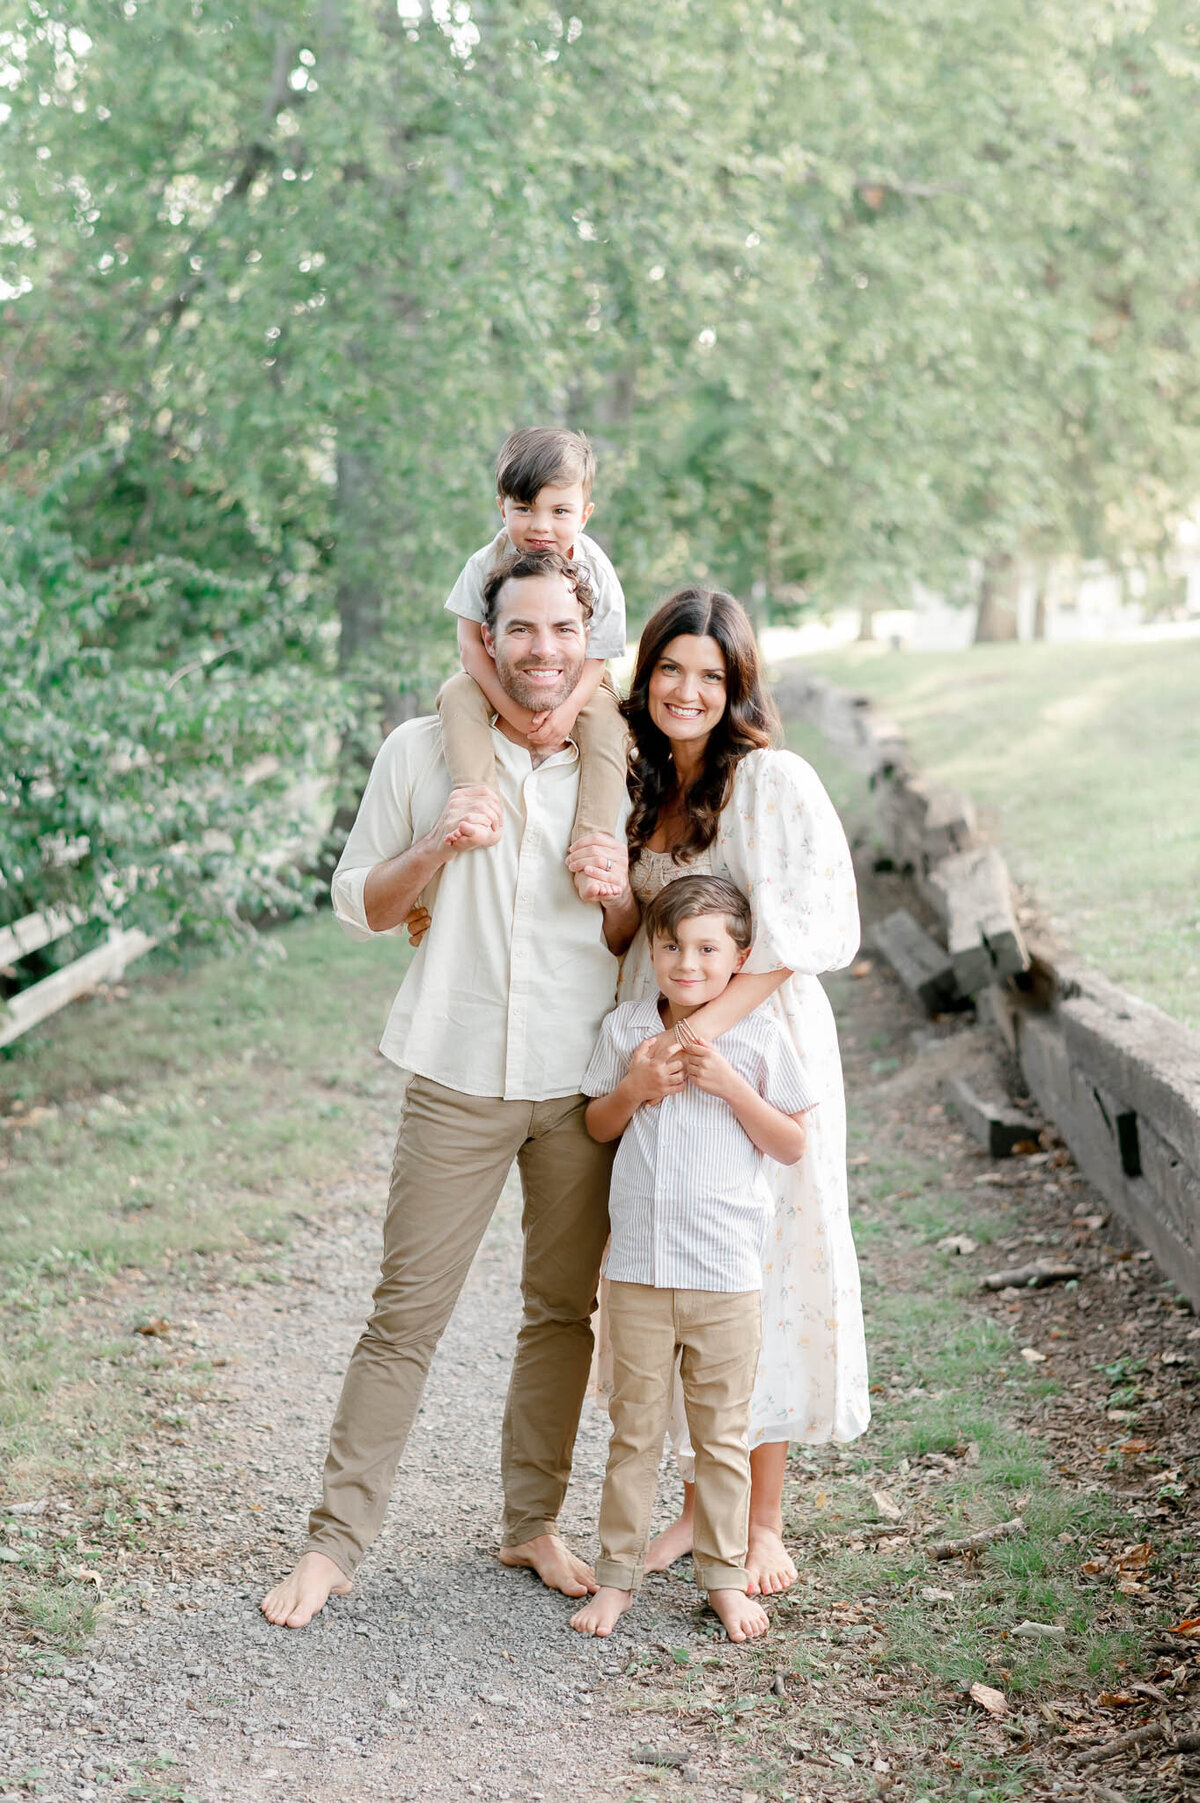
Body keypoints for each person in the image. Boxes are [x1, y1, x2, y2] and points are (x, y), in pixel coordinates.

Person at [261, 547, 639, 1630]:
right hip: (457, 1073)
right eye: (521, 629)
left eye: (562, 631)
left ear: (589, 637)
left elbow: (633, 939)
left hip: (577, 1081)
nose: (542, 651)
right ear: (488, 635)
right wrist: (436, 844)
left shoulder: (616, 767)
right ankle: (333, 1546)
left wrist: (616, 902)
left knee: (564, 1311)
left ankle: (531, 1523)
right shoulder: (423, 752)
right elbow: (362, 904)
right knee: (404, 1314)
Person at [582, 587, 869, 1596]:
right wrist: (609, 884)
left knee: (762, 1263)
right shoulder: (640, 784)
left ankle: (765, 1523)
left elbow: (802, 936)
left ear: (737, 685)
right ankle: (700, 1507)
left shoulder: (769, 780)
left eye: (710, 674)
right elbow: (626, 936)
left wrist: (699, 1035)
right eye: (669, 669)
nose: (687, 690)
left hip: (751, 1044)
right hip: (663, 1052)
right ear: (646, 675)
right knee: (682, 1266)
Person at [570, 875, 816, 1642]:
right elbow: (598, 1126)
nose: (688, 962)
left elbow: (792, 1141)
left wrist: (734, 1088)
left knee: (721, 1435)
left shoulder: (760, 1035)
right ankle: (615, 1578)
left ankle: (724, 1576)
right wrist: (638, 1086)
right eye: (672, 945)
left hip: (725, 1276)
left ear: (739, 957)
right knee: (633, 1432)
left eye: (709, 948)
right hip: (640, 1273)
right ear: (652, 950)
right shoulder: (626, 1030)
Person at [438, 426, 630, 890]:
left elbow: (598, 657)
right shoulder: (484, 562)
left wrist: (564, 714)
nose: (540, 526)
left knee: (609, 721)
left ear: (583, 514)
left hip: (578, 679)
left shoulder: (596, 570)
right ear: (502, 507)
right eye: (524, 509)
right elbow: (469, 646)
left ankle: (594, 848)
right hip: (499, 675)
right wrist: (514, 712)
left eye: (559, 511)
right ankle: (476, 800)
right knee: (455, 693)